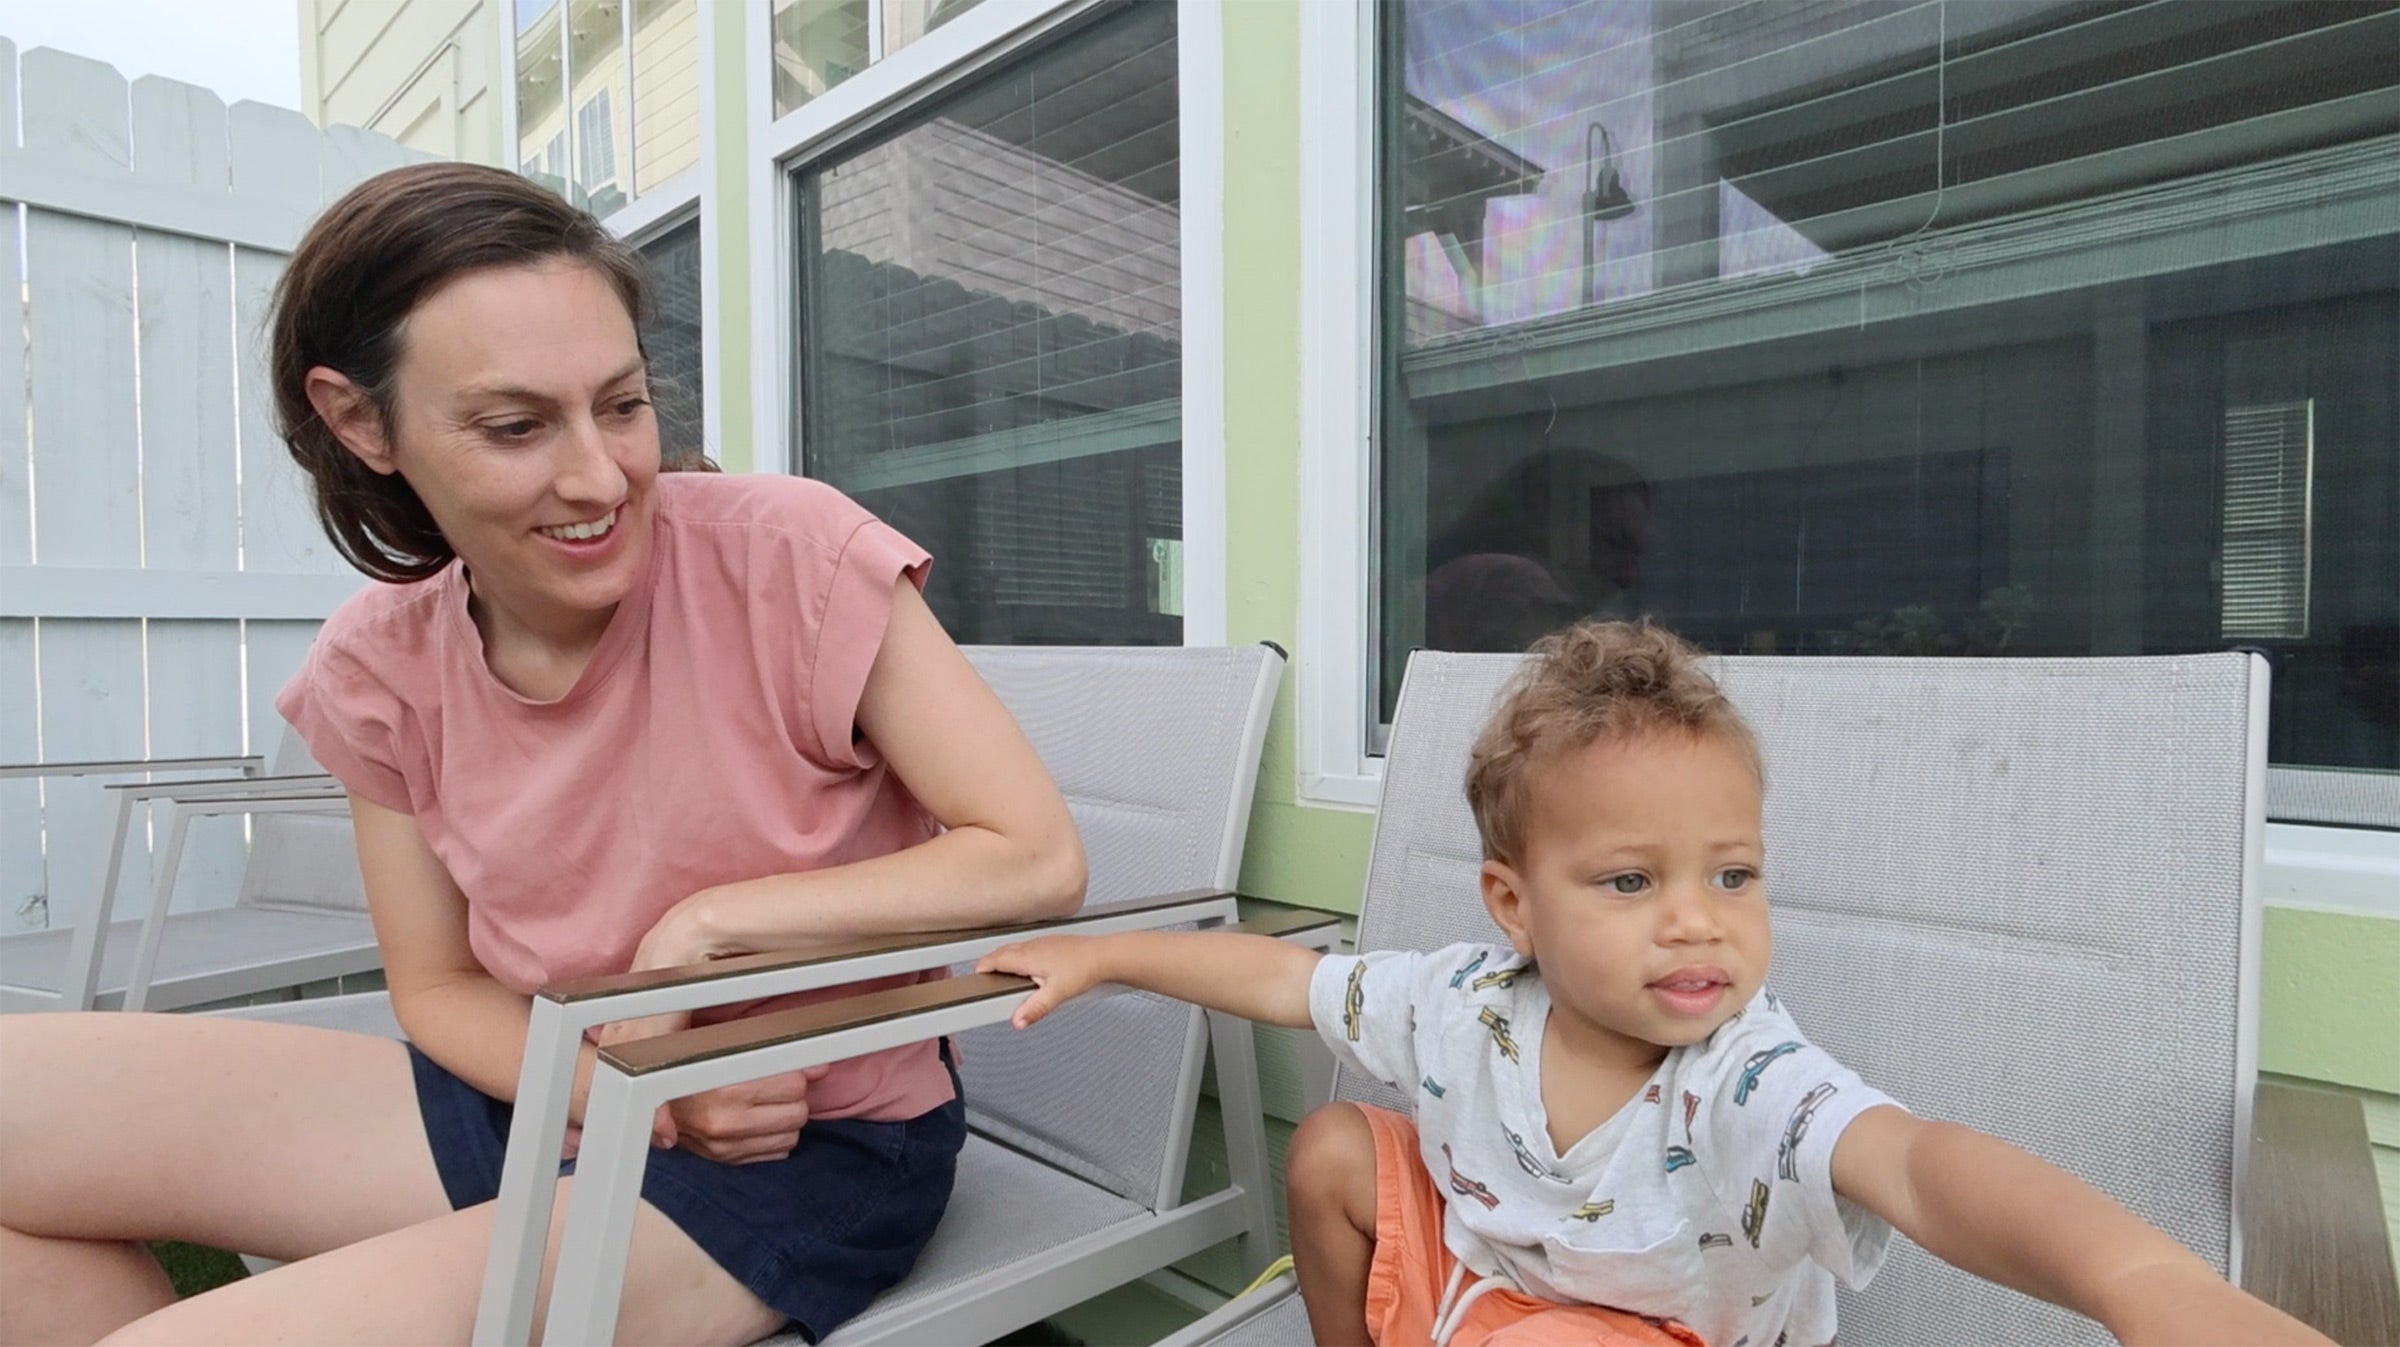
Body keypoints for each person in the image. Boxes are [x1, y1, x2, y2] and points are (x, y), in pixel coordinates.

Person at [0, 162, 1085, 1346]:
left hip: (802, 1145)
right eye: (516, 425)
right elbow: (438, 987)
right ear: (360, 420)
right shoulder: (379, 666)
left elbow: (1031, 856)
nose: (598, 475)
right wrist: (631, 1089)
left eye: (622, 405)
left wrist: (714, 924)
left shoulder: (795, 559)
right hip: (547, 1090)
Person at [980, 622, 2331, 1347]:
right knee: (1337, 1143)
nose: (1698, 920)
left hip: (1649, 1336)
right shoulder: (1463, 1003)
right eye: (1630, 882)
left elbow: (1921, 1165)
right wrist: (1107, 951)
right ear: (1514, 902)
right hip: (1485, 1282)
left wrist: (2137, 1274)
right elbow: (1282, 978)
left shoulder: (1745, 1076)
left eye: (1733, 875)